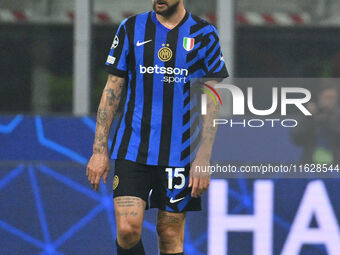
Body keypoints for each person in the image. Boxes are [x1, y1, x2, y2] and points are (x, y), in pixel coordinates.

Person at [86, 0, 228, 254]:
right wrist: (99, 149)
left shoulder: (204, 33)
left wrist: (204, 157)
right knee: (128, 229)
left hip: (181, 152)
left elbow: (213, 98)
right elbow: (112, 89)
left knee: (169, 233)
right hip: (133, 148)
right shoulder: (130, 28)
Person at [291, 85, 340, 164]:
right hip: (310, 164)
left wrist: (326, 120)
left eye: (332, 98)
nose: (329, 101)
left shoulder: (338, 116)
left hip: (336, 164)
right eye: (326, 97)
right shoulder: (309, 115)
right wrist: (308, 118)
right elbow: (297, 139)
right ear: (319, 97)